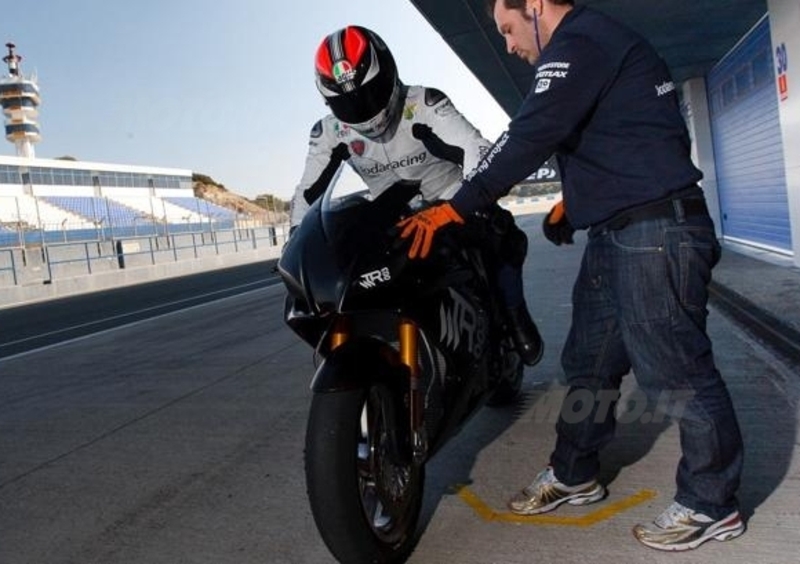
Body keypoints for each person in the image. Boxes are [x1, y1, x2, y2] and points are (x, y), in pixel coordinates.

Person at [396, 0, 745, 552]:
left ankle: (711, 503)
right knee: (588, 362)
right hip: (621, 231)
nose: (509, 44)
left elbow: (529, 134)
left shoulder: (579, 43)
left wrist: (457, 206)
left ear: (534, 5)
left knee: (675, 372)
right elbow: (629, 135)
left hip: (654, 235)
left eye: (508, 28)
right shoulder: (596, 47)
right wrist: (575, 202)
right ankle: (574, 472)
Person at [289, 24, 543, 365]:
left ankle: (515, 314)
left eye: (369, 92)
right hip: (391, 218)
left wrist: (469, 204)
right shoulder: (330, 132)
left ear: (390, 72)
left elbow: (474, 147)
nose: (361, 108)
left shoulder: (424, 103)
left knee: (504, 235)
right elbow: (307, 190)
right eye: (347, 103)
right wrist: (294, 238)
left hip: (450, 204)